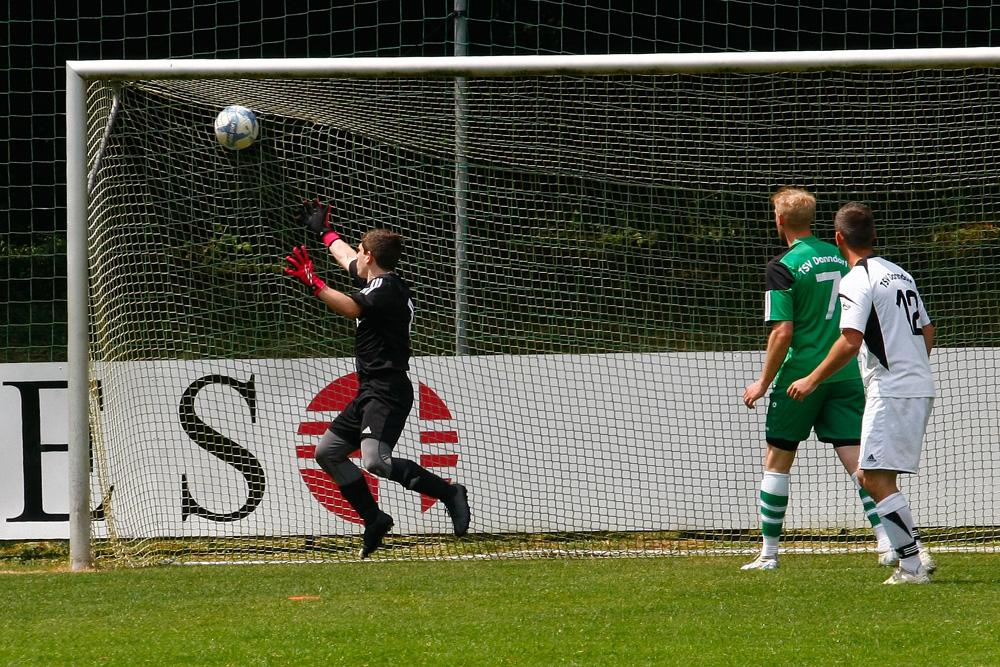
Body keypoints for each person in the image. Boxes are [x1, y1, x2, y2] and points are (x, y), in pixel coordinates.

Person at [284, 198, 470, 558]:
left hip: (388, 390)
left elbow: (351, 307)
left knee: (376, 462)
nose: (355, 254)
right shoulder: (379, 281)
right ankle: (373, 518)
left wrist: (313, 284)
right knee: (328, 453)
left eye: (360, 250)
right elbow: (345, 258)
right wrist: (324, 231)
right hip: (370, 390)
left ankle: (450, 493)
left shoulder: (387, 290)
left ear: (369, 256)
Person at [741, 187, 894, 571]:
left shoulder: (783, 264)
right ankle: (889, 543)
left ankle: (769, 554)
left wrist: (763, 382)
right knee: (861, 463)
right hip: (843, 373)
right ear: (813, 219)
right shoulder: (843, 257)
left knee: (776, 461)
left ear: (778, 220)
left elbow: (782, 332)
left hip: (799, 378)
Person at [788, 202, 937, 584]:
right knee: (877, 475)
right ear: (873, 235)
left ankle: (912, 564)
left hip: (891, 390)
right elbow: (928, 330)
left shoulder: (856, 278)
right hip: (916, 385)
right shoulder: (900, 273)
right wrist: (912, 367)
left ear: (838, 238)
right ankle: (914, 553)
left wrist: (812, 379)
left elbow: (849, 340)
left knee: (871, 477)